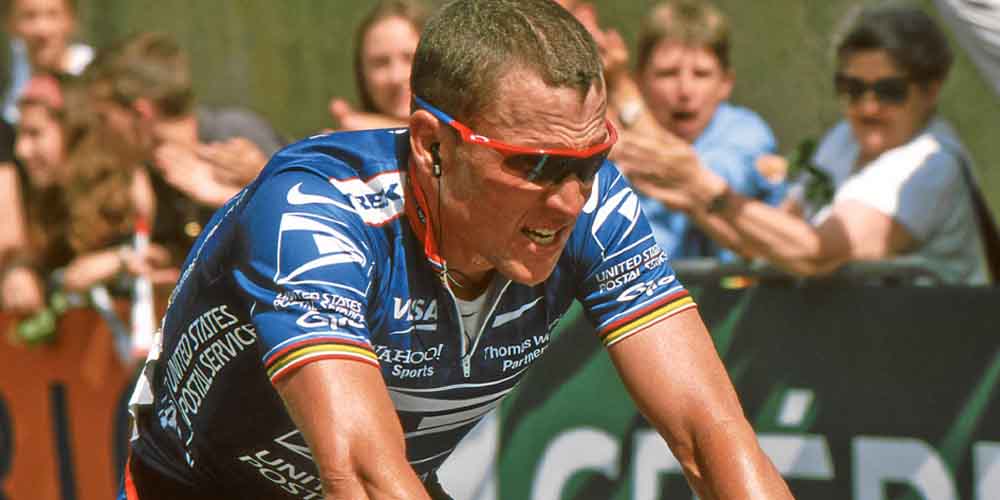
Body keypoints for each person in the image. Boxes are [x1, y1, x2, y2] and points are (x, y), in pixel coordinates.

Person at [120, 1, 793, 499]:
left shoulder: (597, 203)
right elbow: (362, 476)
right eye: (534, 165)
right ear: (430, 145)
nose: (570, 200)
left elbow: (709, 431)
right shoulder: (313, 209)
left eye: (590, 162)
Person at [620, 5, 993, 285]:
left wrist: (701, 188)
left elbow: (816, 254)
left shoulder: (932, 163)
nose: (868, 107)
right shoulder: (844, 138)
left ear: (930, 91)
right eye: (853, 89)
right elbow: (767, 242)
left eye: (889, 91)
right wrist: (691, 195)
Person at [84, 32, 285, 264]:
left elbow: (300, 223)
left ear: (141, 114)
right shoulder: (157, 173)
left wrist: (224, 196)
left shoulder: (234, 137)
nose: (98, 132)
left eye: (103, 119)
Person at [607, 0, 785, 262]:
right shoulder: (613, 138)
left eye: (701, 74)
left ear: (726, 83)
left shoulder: (747, 132)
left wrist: (626, 97)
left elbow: (690, 178)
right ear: (640, 79)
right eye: (667, 74)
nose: (685, 91)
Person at [0, 73, 173, 315]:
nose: (21, 150)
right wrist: (21, 270)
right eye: (20, 134)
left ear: (73, 132)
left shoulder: (131, 189)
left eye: (35, 134)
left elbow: (170, 257)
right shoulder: (44, 198)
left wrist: (119, 260)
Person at [327, 0, 426, 131]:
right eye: (380, 63)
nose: (396, 77)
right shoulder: (346, 140)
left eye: (410, 58)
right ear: (362, 74)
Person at [2, 0, 93, 124]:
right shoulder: (9, 87)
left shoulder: (97, 77)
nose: (42, 30)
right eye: (29, 16)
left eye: (52, 14)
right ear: (10, 24)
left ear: (71, 20)